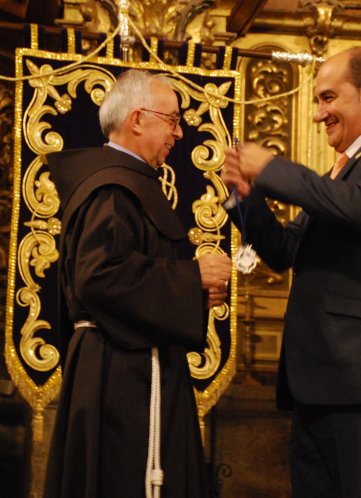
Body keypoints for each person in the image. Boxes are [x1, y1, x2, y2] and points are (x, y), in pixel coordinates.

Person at [222, 46, 361, 498]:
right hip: (317, 386)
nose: (319, 114)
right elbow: (283, 252)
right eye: (318, 101)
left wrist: (272, 167)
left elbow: (357, 209)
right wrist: (246, 198)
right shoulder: (339, 173)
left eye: (328, 98)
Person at [44, 69, 232, 498]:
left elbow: (130, 272)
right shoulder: (113, 187)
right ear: (137, 119)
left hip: (131, 364)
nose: (179, 133)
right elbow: (99, 278)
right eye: (172, 120)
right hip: (120, 376)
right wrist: (192, 276)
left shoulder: (126, 182)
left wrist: (195, 293)